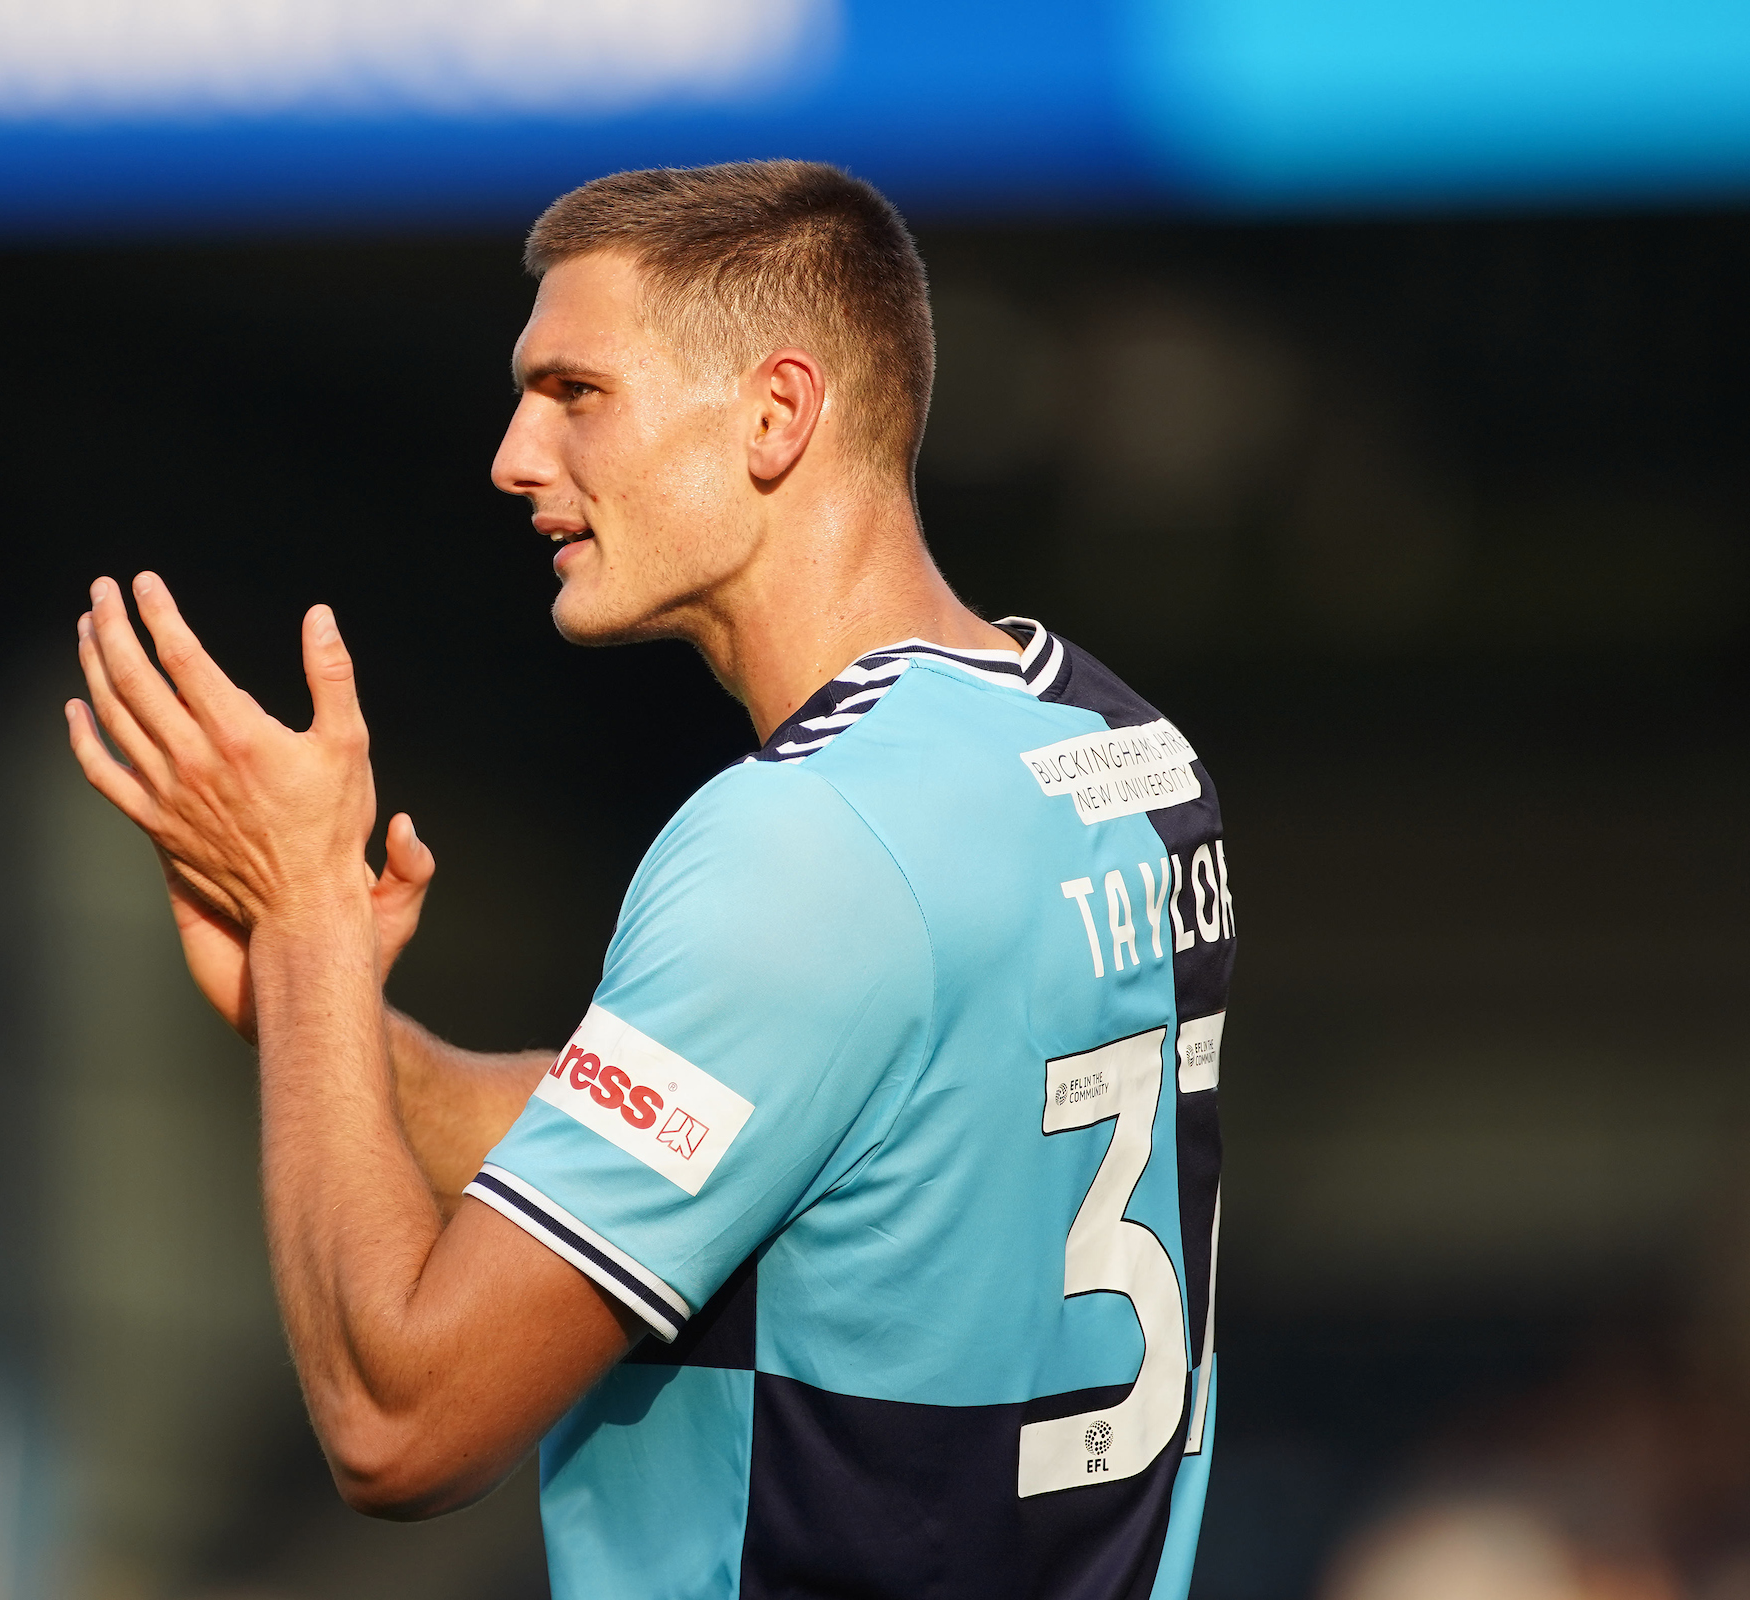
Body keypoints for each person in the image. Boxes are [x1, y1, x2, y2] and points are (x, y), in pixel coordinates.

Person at [65, 159, 1233, 1600]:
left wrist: (308, 919)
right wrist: (332, 1032)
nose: (510, 455)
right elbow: (739, 1142)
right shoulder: (1120, 754)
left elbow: (399, 1425)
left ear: (774, 414)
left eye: (574, 392)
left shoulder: (800, 845)